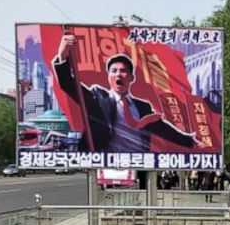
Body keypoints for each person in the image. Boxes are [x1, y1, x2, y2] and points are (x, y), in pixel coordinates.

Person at [53, 34, 200, 153]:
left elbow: (164, 130)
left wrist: (190, 141)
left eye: (123, 71)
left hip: (139, 164)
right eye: (114, 71)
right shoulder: (97, 99)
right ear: (109, 76)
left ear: (131, 77)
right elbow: (68, 84)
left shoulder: (143, 107)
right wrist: (63, 56)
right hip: (105, 162)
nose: (118, 75)